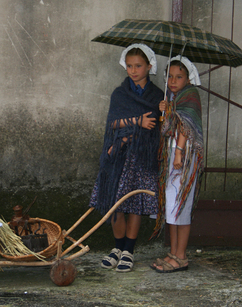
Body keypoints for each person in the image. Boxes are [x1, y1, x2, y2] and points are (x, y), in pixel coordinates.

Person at [89, 43, 164, 273]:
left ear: (149, 66)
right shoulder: (120, 94)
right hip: (119, 156)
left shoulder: (158, 96)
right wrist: (136, 122)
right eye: (129, 66)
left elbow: (160, 127)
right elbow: (112, 124)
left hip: (142, 159)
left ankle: (129, 251)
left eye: (138, 65)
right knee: (115, 204)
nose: (133, 70)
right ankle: (116, 248)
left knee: (134, 205)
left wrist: (165, 110)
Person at [150, 55, 204, 273]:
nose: (173, 80)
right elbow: (168, 125)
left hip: (183, 156)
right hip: (173, 155)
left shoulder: (190, 96)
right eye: (170, 76)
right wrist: (165, 108)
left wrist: (179, 153)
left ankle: (181, 256)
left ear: (188, 78)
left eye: (179, 76)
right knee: (171, 206)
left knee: (181, 205)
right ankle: (173, 253)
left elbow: (185, 126)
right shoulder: (173, 98)